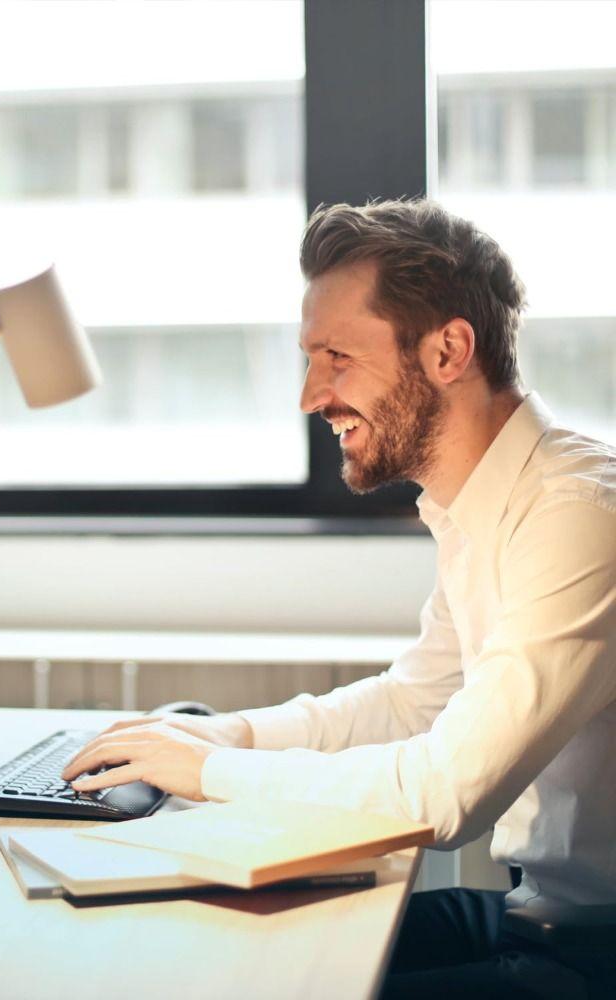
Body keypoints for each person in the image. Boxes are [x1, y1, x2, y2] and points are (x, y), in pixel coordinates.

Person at [63, 200, 616, 999]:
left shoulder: (575, 517)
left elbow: (446, 792)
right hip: (536, 915)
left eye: (337, 357)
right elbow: (413, 703)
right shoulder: (480, 506)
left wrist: (210, 771)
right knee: (224, 950)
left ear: (448, 351)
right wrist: (229, 735)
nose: (310, 394)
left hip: (594, 954)